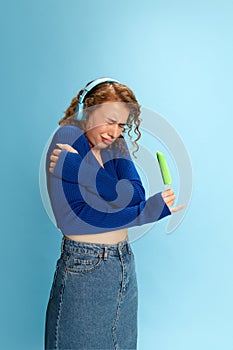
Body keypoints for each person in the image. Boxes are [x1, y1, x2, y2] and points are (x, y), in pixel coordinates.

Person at [44, 77, 184, 350]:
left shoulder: (115, 145)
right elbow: (75, 217)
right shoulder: (66, 138)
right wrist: (145, 214)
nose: (114, 131)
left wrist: (81, 171)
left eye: (121, 125)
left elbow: (134, 196)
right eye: (109, 120)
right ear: (88, 110)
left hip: (122, 264)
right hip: (85, 270)